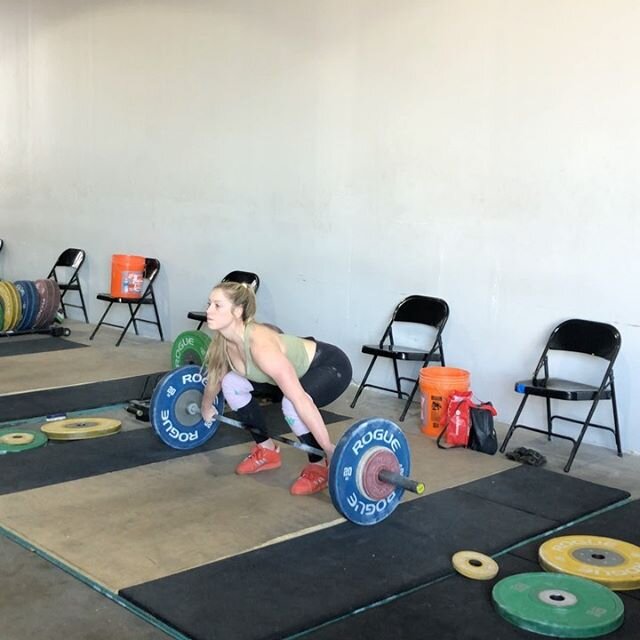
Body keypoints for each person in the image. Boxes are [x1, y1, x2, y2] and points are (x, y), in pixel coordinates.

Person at [200, 281, 353, 495]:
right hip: (288, 374)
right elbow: (216, 375)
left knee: (291, 403)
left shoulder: (260, 346)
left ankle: (319, 464)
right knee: (231, 383)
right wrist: (206, 406)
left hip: (328, 366)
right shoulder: (224, 340)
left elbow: (300, 399)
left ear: (237, 311)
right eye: (209, 304)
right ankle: (267, 451)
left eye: (217, 305)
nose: (208, 311)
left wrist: (329, 448)